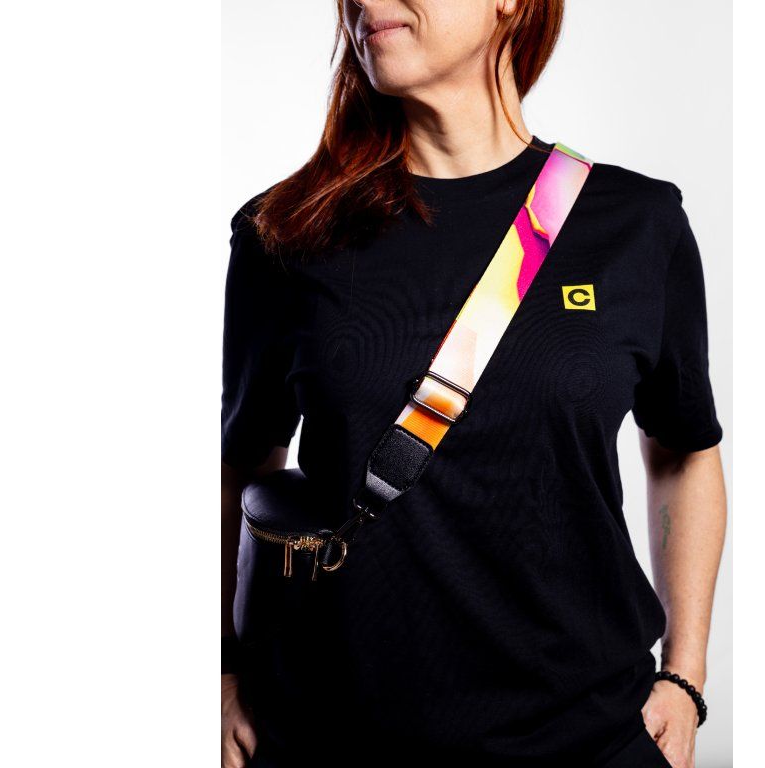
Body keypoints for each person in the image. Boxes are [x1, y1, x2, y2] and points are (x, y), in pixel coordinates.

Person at [221, 1, 727, 766]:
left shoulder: (636, 223)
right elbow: (240, 466)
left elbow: (684, 453)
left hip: (588, 738)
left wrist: (684, 676)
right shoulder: (286, 231)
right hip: (333, 740)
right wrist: (223, 672)